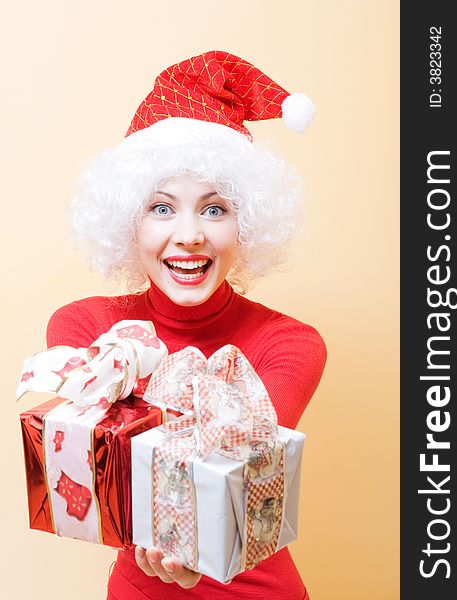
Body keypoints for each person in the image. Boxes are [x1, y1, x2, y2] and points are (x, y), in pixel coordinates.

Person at [46, 50, 327, 600]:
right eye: (162, 207)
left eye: (215, 209)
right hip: (141, 589)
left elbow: (237, 463)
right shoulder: (82, 326)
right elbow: (94, 466)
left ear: (247, 222)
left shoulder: (290, 343)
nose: (190, 235)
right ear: (128, 220)